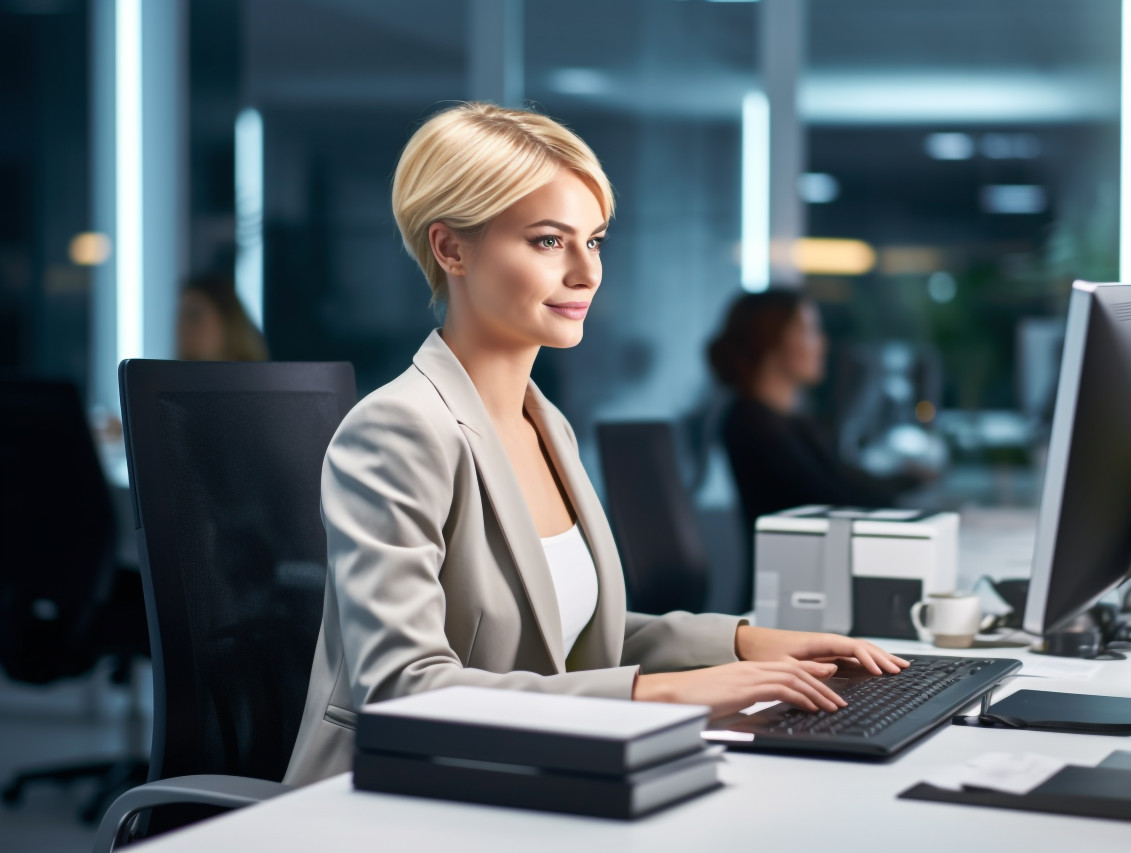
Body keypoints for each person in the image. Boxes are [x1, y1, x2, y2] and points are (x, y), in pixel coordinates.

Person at [284, 104, 907, 784]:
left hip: (522, 774)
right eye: (550, 241)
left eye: (596, 240)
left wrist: (746, 641)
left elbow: (576, 636)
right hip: (392, 795)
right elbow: (404, 688)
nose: (586, 272)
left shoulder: (546, 424)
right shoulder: (399, 431)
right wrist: (660, 692)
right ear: (451, 248)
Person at [708, 292, 921, 610]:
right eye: (809, 330)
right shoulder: (753, 423)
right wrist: (910, 493)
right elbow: (833, 496)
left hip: (811, 590)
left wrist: (907, 484)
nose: (821, 343)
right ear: (772, 341)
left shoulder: (792, 421)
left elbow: (844, 479)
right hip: (787, 601)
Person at [176, 272, 268, 362]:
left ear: (228, 318)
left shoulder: (261, 376)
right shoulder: (174, 376)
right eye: (181, 318)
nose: (183, 328)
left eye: (194, 316)